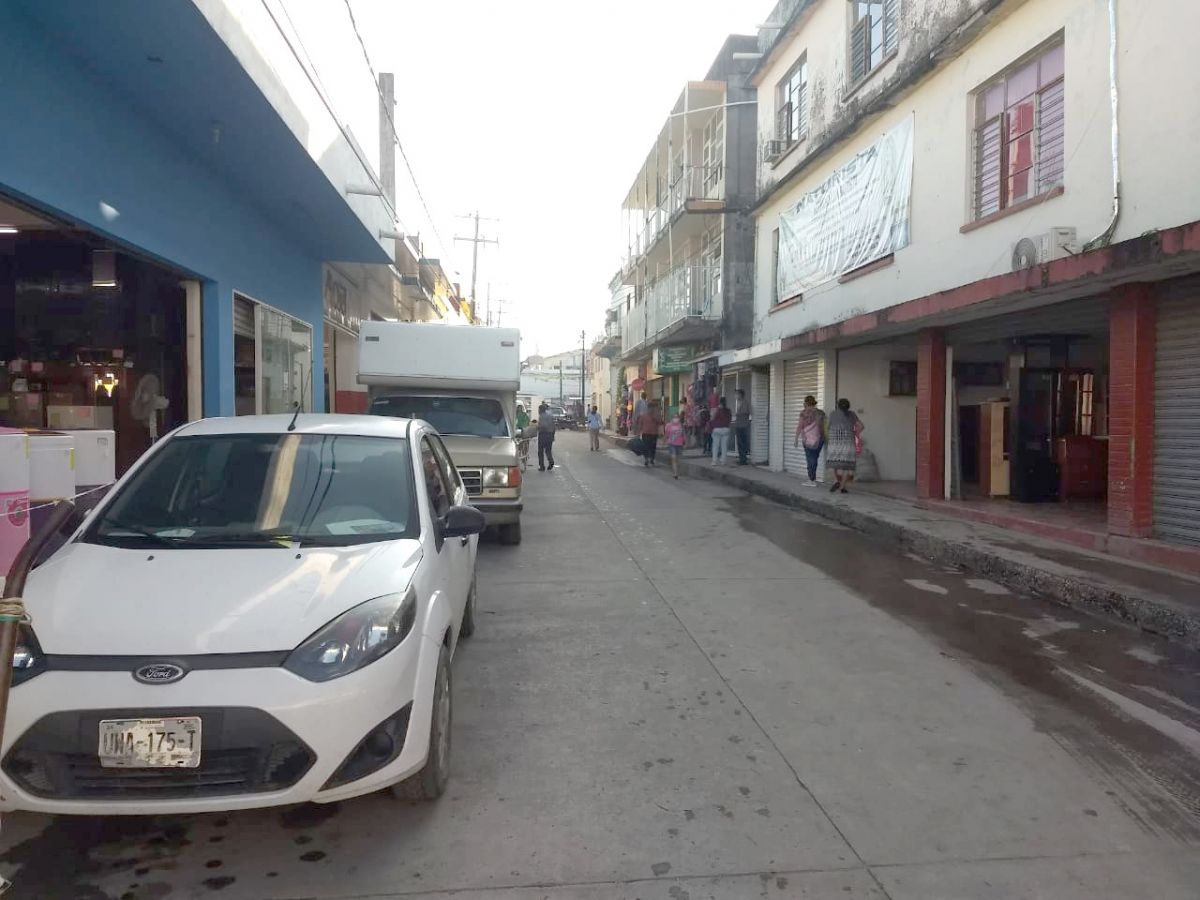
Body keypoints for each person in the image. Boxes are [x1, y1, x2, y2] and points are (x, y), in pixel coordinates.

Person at [826, 398, 863, 494]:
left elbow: (828, 427)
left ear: (838, 405)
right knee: (847, 466)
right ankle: (842, 487)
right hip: (848, 443)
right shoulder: (852, 414)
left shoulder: (833, 414)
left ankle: (836, 480)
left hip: (835, 443)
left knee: (832, 463)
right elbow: (861, 426)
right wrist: (854, 432)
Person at [793, 395, 827, 486]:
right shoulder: (821, 413)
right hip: (820, 439)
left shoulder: (804, 413)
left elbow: (800, 426)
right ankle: (813, 478)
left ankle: (811, 480)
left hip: (808, 440)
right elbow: (825, 426)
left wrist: (796, 438)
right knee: (815, 458)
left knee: (810, 459)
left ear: (806, 403)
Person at [636, 399, 663, 467]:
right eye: (650, 408)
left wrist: (655, 417)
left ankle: (651, 459)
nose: (651, 409)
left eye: (652, 408)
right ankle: (647, 459)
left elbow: (660, 422)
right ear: (648, 408)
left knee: (653, 447)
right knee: (646, 447)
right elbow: (640, 425)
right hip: (646, 434)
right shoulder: (643, 416)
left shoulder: (656, 415)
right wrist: (638, 433)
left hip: (654, 434)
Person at [664, 410, 686, 479]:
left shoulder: (681, 426)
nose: (676, 419)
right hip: (671, 444)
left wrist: (685, 442)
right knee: (673, 458)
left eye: (677, 417)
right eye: (674, 417)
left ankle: (677, 471)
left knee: (678, 459)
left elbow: (684, 434)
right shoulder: (668, 425)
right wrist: (664, 441)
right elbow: (666, 434)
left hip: (679, 444)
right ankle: (675, 473)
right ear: (672, 418)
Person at [710, 398, 732, 465]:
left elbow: (712, 418)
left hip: (717, 429)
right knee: (724, 446)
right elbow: (730, 419)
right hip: (726, 429)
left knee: (715, 446)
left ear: (719, 402)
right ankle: (723, 461)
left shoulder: (716, 410)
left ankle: (714, 461)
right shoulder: (728, 410)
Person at [733, 388, 752, 466]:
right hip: (738, 425)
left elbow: (750, 413)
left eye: (737, 394)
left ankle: (744, 460)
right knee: (739, 443)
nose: (736, 396)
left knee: (744, 443)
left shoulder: (746, 403)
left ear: (741, 395)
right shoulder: (738, 403)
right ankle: (742, 459)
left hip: (744, 425)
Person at [537, 402, 556, 471]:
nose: (538, 411)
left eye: (538, 410)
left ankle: (542, 466)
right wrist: (553, 436)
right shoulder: (550, 415)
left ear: (541, 410)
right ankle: (551, 461)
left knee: (540, 451)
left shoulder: (541, 416)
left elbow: (543, 426)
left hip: (543, 434)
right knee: (548, 450)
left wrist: (538, 427)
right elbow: (554, 426)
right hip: (550, 435)